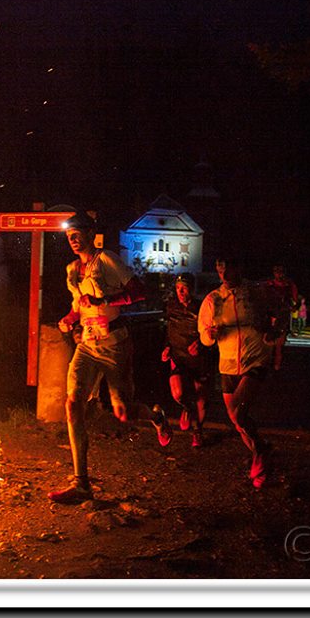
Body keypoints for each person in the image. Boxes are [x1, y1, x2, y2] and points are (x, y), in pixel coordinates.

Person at [49, 212, 172, 504]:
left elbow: (139, 292)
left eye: (77, 234)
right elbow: (78, 308)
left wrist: (104, 300)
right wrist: (68, 320)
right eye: (69, 236)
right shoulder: (71, 270)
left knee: (123, 412)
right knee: (73, 403)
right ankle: (81, 483)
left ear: (91, 234)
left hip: (115, 343)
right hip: (87, 344)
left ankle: (155, 416)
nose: (73, 240)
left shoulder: (106, 260)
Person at [199, 256, 277, 488]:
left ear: (239, 269)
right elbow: (203, 335)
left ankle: (261, 451)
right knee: (235, 420)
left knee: (239, 413)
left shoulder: (256, 292)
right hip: (228, 363)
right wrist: (209, 336)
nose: (224, 276)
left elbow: (280, 313)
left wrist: (273, 333)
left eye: (228, 270)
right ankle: (260, 459)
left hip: (255, 358)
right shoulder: (213, 299)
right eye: (220, 271)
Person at [161, 273, 209, 447]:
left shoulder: (201, 307)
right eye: (178, 288)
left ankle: (197, 431)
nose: (180, 292)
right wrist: (167, 346)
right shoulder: (171, 306)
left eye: (184, 288)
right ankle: (187, 408)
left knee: (201, 398)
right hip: (178, 356)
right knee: (178, 393)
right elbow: (169, 329)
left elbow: (210, 333)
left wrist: (201, 344)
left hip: (198, 358)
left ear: (192, 289)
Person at [265, 264, 298, 370]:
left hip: (282, 316)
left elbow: (295, 300)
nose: (279, 274)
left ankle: (276, 366)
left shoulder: (289, 285)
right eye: (277, 272)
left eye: (281, 272)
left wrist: (292, 306)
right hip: (269, 315)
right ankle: (267, 365)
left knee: (279, 344)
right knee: (267, 342)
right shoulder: (269, 284)